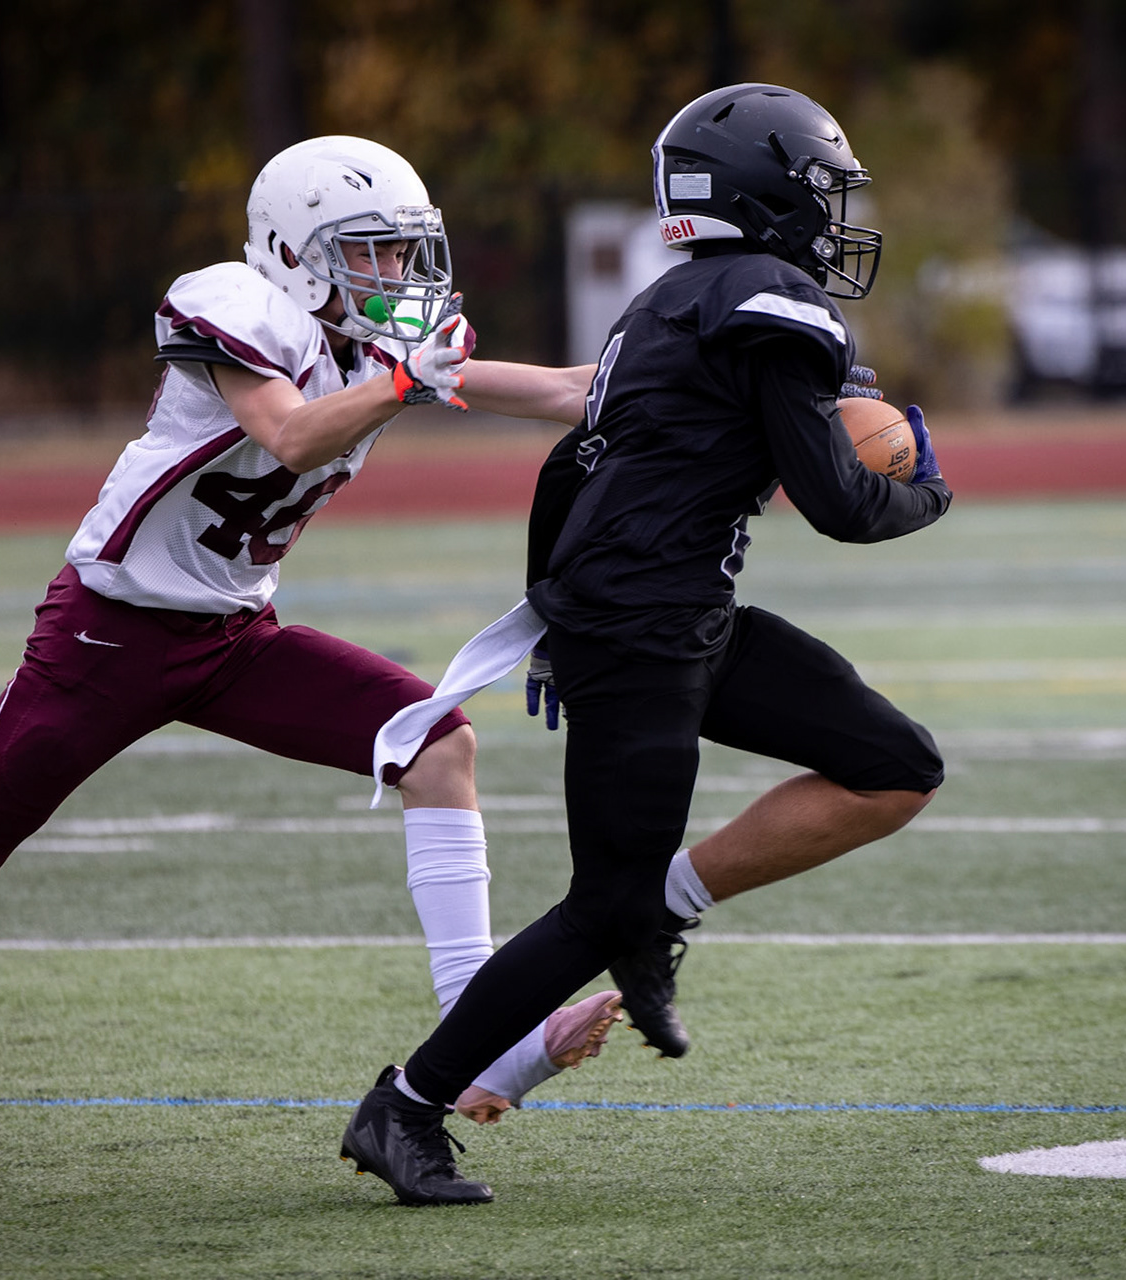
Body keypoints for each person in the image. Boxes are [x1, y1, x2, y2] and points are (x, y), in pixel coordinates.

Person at [0, 135, 622, 1185]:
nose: (395, 278)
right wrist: (405, 379)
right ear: (293, 250)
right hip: (109, 634)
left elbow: (560, 389)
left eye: (403, 252)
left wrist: (678, 379)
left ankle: (479, 1028)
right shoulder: (240, 308)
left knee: (436, 741)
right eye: (369, 252)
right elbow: (287, 434)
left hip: (234, 635)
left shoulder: (376, 353)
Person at [340, 84, 954, 1205]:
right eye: (820, 192)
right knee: (596, 909)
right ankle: (406, 1103)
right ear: (764, 194)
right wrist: (925, 482)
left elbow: (578, 463)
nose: (832, 216)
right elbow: (843, 505)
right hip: (643, 629)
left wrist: (553, 607)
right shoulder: (770, 296)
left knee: (895, 762)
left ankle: (664, 911)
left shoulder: (666, 302)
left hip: (670, 618)